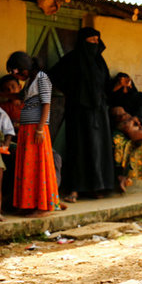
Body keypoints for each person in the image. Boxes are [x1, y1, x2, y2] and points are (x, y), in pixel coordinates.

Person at [48, 27, 114, 203]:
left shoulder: (100, 62)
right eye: (90, 41)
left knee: (98, 149)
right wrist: (71, 92)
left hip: (99, 113)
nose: (94, 44)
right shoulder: (72, 59)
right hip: (78, 111)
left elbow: (106, 84)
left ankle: (96, 187)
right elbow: (53, 76)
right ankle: (75, 189)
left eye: (96, 41)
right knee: (79, 149)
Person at [6, 51, 62, 215]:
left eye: (14, 72)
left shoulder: (42, 78)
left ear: (22, 69)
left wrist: (39, 129)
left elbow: (46, 103)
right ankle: (29, 204)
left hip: (36, 128)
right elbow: (21, 96)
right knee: (28, 166)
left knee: (39, 166)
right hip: (27, 129)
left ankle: (43, 205)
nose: (15, 76)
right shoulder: (31, 80)